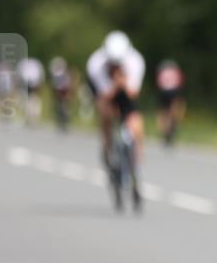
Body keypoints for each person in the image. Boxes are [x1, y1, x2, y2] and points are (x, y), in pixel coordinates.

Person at [86, 31, 146, 167]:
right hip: (107, 92)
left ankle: (136, 166)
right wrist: (115, 85)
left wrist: (123, 83)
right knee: (106, 114)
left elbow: (133, 93)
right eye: (113, 64)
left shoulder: (135, 61)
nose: (116, 67)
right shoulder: (96, 64)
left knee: (137, 125)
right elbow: (104, 95)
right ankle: (107, 147)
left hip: (126, 91)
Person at [155, 58, 186, 145]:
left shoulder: (162, 71)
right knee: (174, 110)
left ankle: (165, 128)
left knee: (163, 112)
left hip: (163, 92)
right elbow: (180, 83)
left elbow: (159, 83)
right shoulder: (176, 71)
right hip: (174, 92)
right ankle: (172, 123)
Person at [16, 56, 45, 125]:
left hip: (34, 85)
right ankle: (29, 117)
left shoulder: (35, 63)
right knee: (28, 101)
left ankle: (33, 117)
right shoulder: (25, 63)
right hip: (27, 85)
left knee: (34, 101)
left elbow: (40, 75)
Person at [49, 56, 74, 131]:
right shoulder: (58, 74)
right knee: (60, 108)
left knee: (64, 108)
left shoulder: (64, 74)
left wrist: (68, 94)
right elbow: (55, 86)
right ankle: (61, 122)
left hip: (64, 93)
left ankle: (64, 122)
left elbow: (68, 85)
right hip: (59, 93)